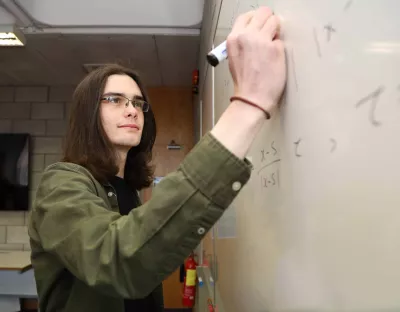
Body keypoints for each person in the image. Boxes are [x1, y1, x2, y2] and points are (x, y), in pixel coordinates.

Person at [28, 6, 286, 312]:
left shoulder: (128, 192)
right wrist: (248, 105)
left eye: (138, 102)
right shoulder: (61, 182)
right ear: (87, 113)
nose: (132, 109)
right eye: (114, 100)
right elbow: (119, 260)